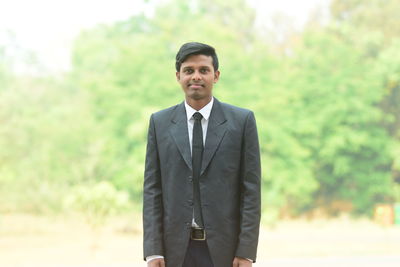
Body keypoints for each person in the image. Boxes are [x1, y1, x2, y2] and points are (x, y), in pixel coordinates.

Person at [143, 42, 261, 267]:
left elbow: (251, 192)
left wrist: (246, 252)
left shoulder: (242, 122)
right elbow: (152, 191)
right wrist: (153, 251)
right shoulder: (159, 123)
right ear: (178, 76)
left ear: (215, 76)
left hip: (226, 252)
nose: (196, 76)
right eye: (189, 70)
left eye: (203, 70)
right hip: (174, 252)